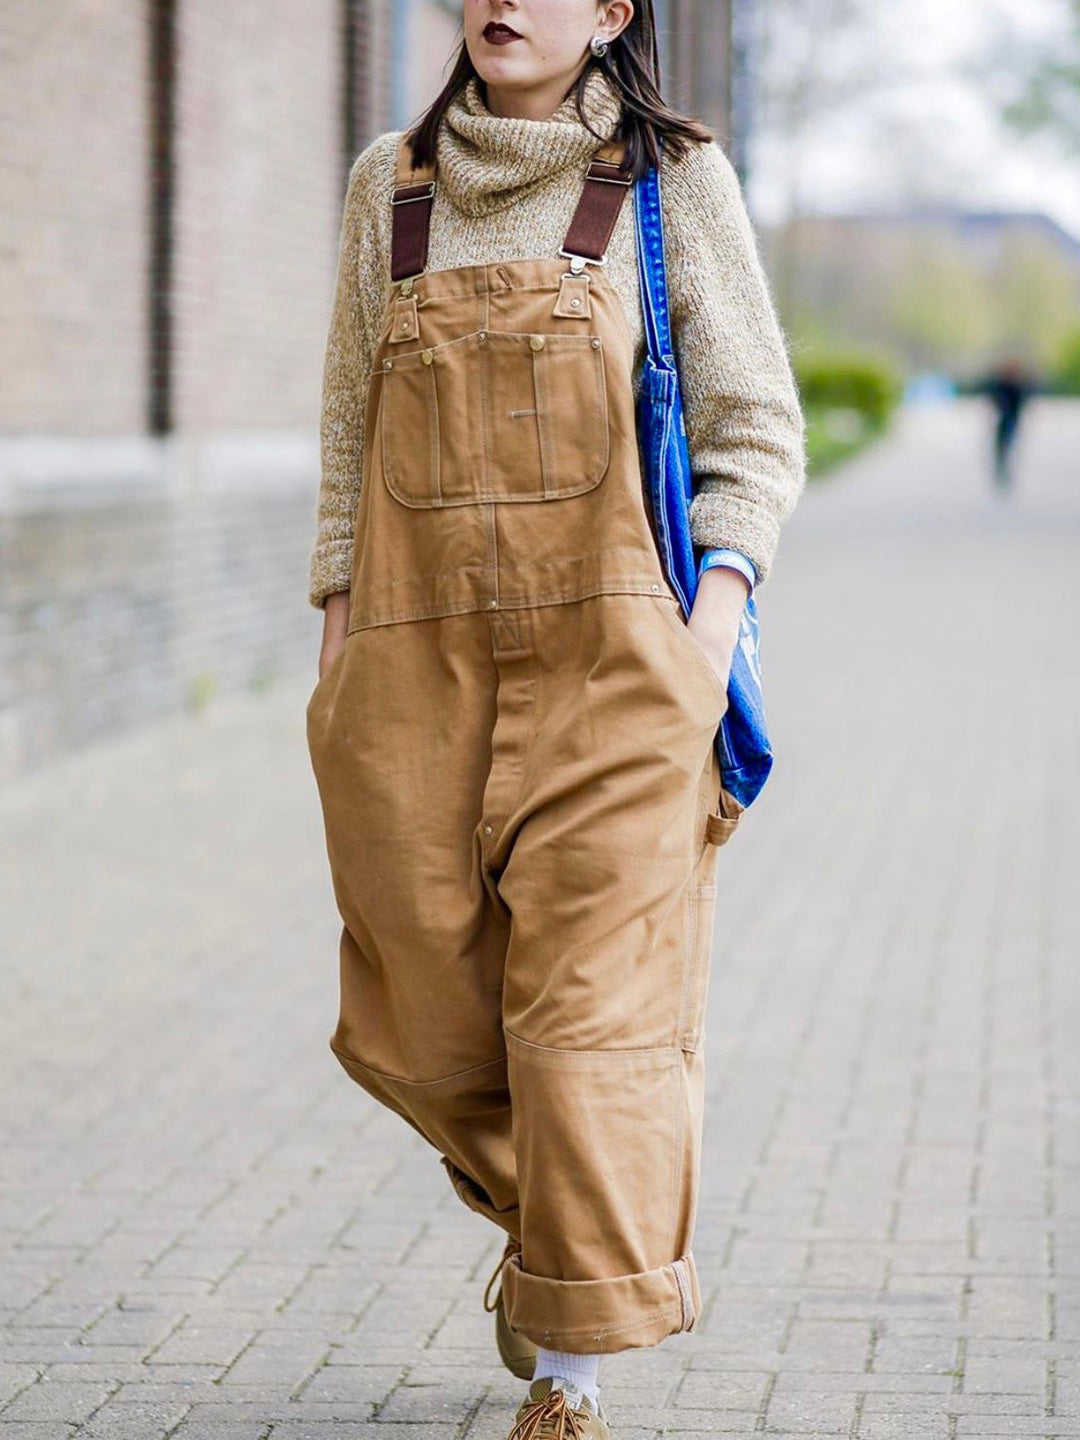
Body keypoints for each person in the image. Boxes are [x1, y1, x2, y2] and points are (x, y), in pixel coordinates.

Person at [304, 3, 805, 1435]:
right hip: (410, 672)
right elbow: (347, 427)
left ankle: (571, 1373)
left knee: (589, 1020)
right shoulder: (391, 184)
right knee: (417, 1012)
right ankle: (562, 1230)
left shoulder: (671, 179)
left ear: (610, 15)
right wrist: (338, 638)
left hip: (620, 667)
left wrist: (705, 631)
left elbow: (753, 421)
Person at [981, 358, 1034, 491]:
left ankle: (1005, 472)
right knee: (1002, 447)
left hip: (1011, 420)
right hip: (1004, 420)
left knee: (1007, 446)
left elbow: (1021, 401)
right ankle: (1002, 472)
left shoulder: (1015, 386)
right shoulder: (1002, 385)